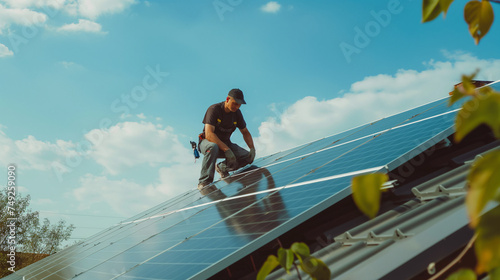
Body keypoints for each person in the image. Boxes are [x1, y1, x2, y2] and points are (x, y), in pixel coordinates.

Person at [198, 88, 256, 190]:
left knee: (248, 157)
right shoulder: (214, 109)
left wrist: (252, 148)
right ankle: (204, 182)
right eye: (235, 103)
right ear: (227, 99)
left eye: (239, 105)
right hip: (207, 143)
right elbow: (209, 134)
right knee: (213, 147)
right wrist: (227, 150)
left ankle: (223, 167)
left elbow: (245, 132)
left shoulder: (237, 113)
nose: (237, 107)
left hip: (226, 144)